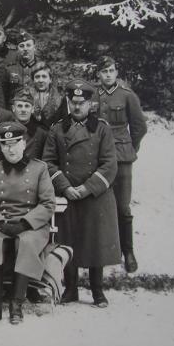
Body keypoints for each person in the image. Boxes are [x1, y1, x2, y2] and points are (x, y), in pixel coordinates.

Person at [43, 80, 121, 308]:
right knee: (69, 241)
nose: (77, 107)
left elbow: (109, 164)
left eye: (82, 103)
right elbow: (48, 162)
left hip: (95, 195)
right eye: (73, 102)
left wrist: (87, 188)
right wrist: (66, 187)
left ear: (91, 103)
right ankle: (71, 289)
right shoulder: (57, 129)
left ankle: (98, 291)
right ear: (68, 102)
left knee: (95, 242)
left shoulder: (102, 129)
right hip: (68, 195)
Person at [0, 122, 55, 325]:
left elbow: (48, 203)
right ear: (1, 147)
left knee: (27, 242)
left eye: (14, 143)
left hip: (31, 225)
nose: (10, 149)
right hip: (1, 223)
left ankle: (16, 303)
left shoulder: (39, 168)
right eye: (5, 144)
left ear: (24, 143)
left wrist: (26, 223)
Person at [94, 56, 148, 273]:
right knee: (98, 204)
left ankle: (128, 252)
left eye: (111, 70)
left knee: (123, 207)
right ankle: (103, 250)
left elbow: (139, 126)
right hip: (98, 155)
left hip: (122, 156)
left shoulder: (127, 95)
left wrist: (129, 147)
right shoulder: (93, 95)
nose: (108, 74)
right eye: (104, 71)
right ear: (98, 74)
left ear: (116, 72)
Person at [0, 89, 48, 160]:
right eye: (20, 106)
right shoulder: (2, 131)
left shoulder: (41, 134)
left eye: (27, 106)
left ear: (32, 109)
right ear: (13, 108)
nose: (23, 110)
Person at [2, 30, 41, 105]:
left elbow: (51, 95)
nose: (25, 49)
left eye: (28, 45)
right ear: (17, 49)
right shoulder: (9, 69)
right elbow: (4, 96)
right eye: (22, 46)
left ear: (34, 47)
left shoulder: (43, 69)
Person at [29, 62, 64, 129]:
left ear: (50, 79)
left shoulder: (59, 97)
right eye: (37, 77)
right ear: (33, 80)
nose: (40, 80)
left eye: (44, 76)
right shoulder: (27, 96)